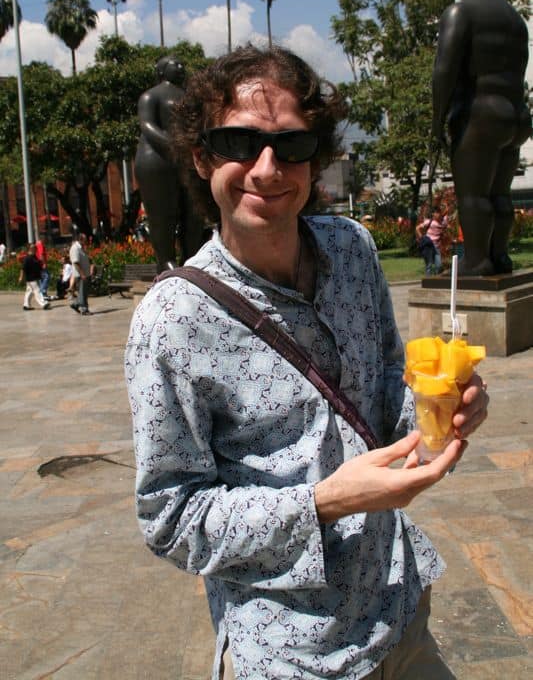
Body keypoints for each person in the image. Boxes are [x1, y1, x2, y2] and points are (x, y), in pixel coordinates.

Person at [125, 46, 489, 680]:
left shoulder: (353, 251)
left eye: (290, 146)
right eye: (239, 141)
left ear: (313, 159)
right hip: (293, 649)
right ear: (202, 157)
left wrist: (443, 406)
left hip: (400, 604)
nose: (267, 169)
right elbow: (172, 518)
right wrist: (322, 503)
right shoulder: (171, 320)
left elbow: (384, 408)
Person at [432, 0, 532, 276]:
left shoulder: (461, 12)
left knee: (473, 196)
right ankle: (499, 256)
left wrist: (437, 120)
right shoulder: (516, 22)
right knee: (500, 195)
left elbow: (444, 70)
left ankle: (477, 261)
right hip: (515, 115)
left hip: (480, 114)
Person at [135, 56, 207, 273]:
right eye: (175, 64)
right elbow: (147, 126)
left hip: (187, 161)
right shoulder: (151, 96)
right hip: (157, 161)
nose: (181, 66)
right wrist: (177, 145)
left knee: (193, 212)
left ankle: (191, 257)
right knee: (161, 213)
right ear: (162, 70)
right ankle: (165, 259)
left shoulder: (190, 98)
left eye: (181, 64)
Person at [416, 207, 448, 275]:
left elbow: (445, 228)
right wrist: (422, 238)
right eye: (435, 213)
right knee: (429, 265)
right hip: (429, 246)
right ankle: (428, 280)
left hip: (437, 247)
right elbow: (417, 228)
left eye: (438, 213)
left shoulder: (443, 223)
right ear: (433, 214)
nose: (436, 215)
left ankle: (436, 280)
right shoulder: (429, 222)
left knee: (438, 265)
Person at [18, 244, 50, 311]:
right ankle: (43, 304)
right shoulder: (27, 258)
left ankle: (26, 305)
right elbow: (23, 268)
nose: (35, 249)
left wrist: (42, 267)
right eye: (33, 248)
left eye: (35, 248)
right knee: (37, 290)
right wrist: (21, 277)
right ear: (29, 249)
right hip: (31, 278)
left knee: (29, 291)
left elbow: (38, 265)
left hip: (35, 277)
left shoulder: (34, 257)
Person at [69, 233, 91, 315]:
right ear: (81, 239)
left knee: (84, 293)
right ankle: (84, 309)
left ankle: (75, 305)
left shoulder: (81, 248)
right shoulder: (75, 248)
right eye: (85, 239)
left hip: (85, 274)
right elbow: (76, 263)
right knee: (82, 293)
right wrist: (82, 274)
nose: (87, 241)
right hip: (80, 275)